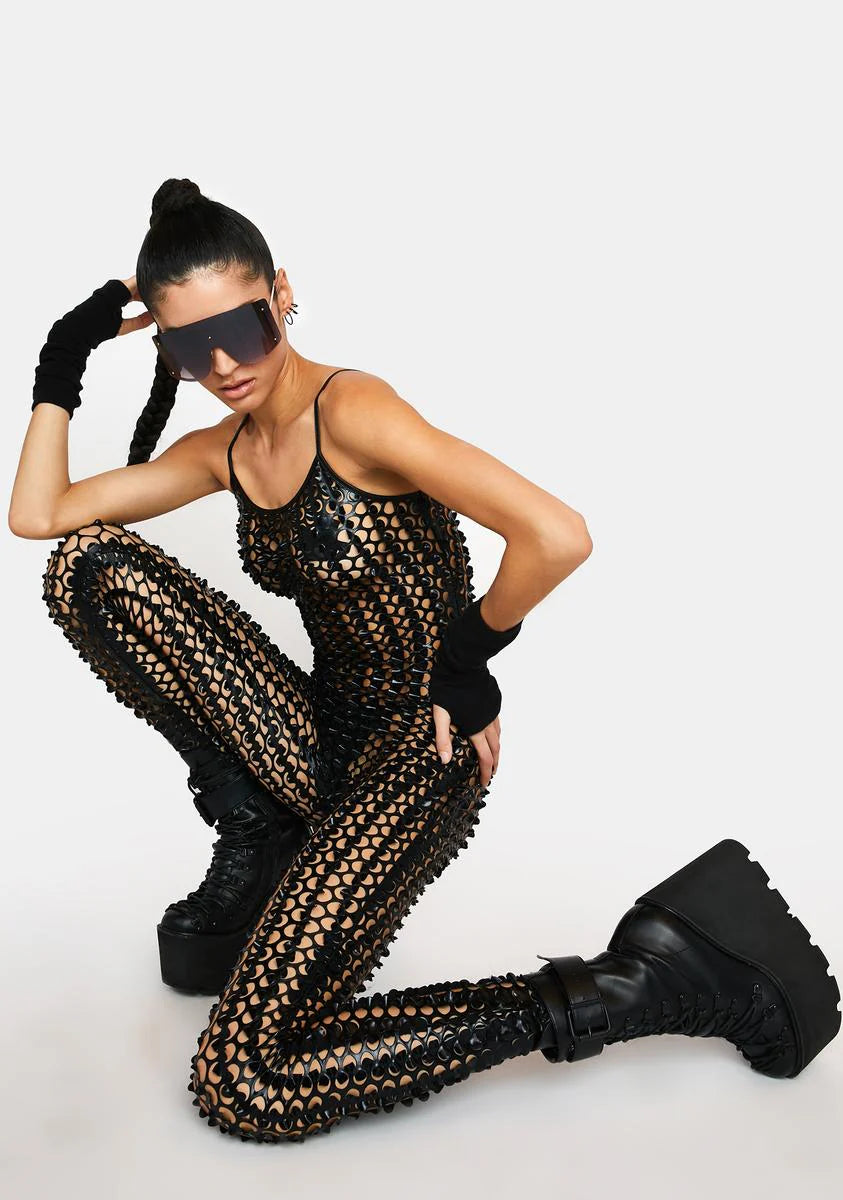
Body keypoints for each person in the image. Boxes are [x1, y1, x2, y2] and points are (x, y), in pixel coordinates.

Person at [10, 177, 839, 1144]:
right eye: (191, 346)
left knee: (246, 1083)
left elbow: (554, 534)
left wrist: (467, 662)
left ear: (282, 295)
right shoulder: (222, 448)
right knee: (86, 566)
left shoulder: (354, 412)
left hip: (418, 752)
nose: (224, 363)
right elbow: (41, 516)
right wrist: (62, 358)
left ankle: (646, 977)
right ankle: (259, 826)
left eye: (241, 327)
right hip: (317, 738)